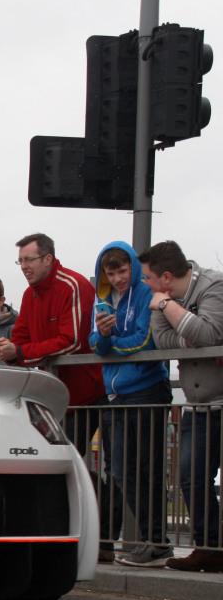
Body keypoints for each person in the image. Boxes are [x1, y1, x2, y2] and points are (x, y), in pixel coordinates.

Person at [88, 241, 173, 568]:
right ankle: (154, 542)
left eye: (122, 270)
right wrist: (105, 337)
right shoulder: (105, 299)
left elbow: (144, 339)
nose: (118, 277)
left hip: (147, 390)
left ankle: (157, 542)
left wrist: (109, 344)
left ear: (132, 268)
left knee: (148, 472)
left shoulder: (144, 294)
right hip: (117, 397)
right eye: (112, 272)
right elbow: (96, 343)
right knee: (121, 471)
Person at [141, 240, 223, 573]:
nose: (145, 285)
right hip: (197, 404)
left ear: (166, 276)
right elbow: (164, 340)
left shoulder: (214, 285)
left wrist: (168, 307)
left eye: (148, 279)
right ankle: (209, 548)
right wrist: (195, 337)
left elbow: (211, 331)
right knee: (190, 477)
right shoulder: (157, 300)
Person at [0, 233, 105, 451]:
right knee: (54, 462)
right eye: (20, 261)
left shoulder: (73, 285)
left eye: (29, 260)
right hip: (53, 399)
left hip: (86, 399)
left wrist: (18, 352)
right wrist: (7, 350)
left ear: (48, 259)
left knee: (69, 461)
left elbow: (71, 342)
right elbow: (20, 340)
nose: (23, 267)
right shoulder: (28, 295)